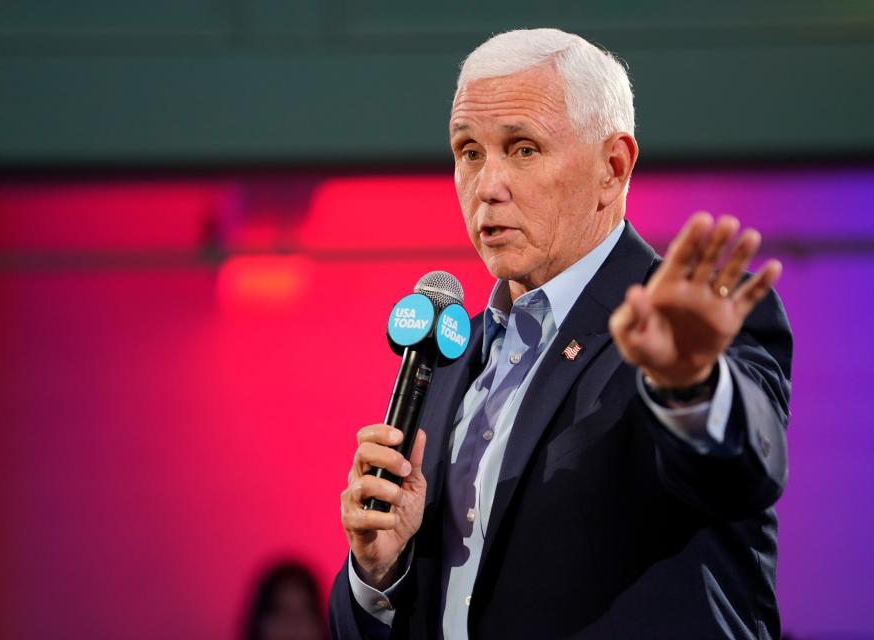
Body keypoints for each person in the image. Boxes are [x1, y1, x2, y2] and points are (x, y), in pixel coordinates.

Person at [330, 28, 791, 640]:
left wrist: (689, 384)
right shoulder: (450, 357)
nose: (487, 185)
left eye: (522, 149)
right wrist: (379, 574)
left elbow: (742, 470)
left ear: (613, 167)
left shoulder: (686, 325)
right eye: (469, 151)